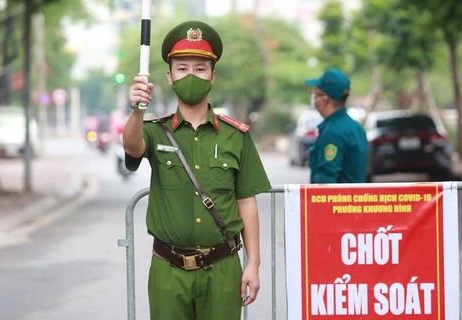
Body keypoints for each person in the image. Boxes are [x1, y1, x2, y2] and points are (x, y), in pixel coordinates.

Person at [122, 20, 271, 320]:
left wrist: (252, 263)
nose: (191, 75)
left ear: (213, 76)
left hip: (223, 270)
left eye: (200, 68)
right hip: (168, 271)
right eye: (182, 68)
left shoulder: (236, 136)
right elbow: (132, 146)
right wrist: (137, 110)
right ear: (170, 75)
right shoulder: (155, 131)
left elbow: (246, 202)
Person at [304, 68, 369, 183]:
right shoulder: (356, 127)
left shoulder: (332, 133)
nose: (313, 98)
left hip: (338, 200)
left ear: (324, 100)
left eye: (315, 94)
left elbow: (325, 183)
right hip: (355, 199)